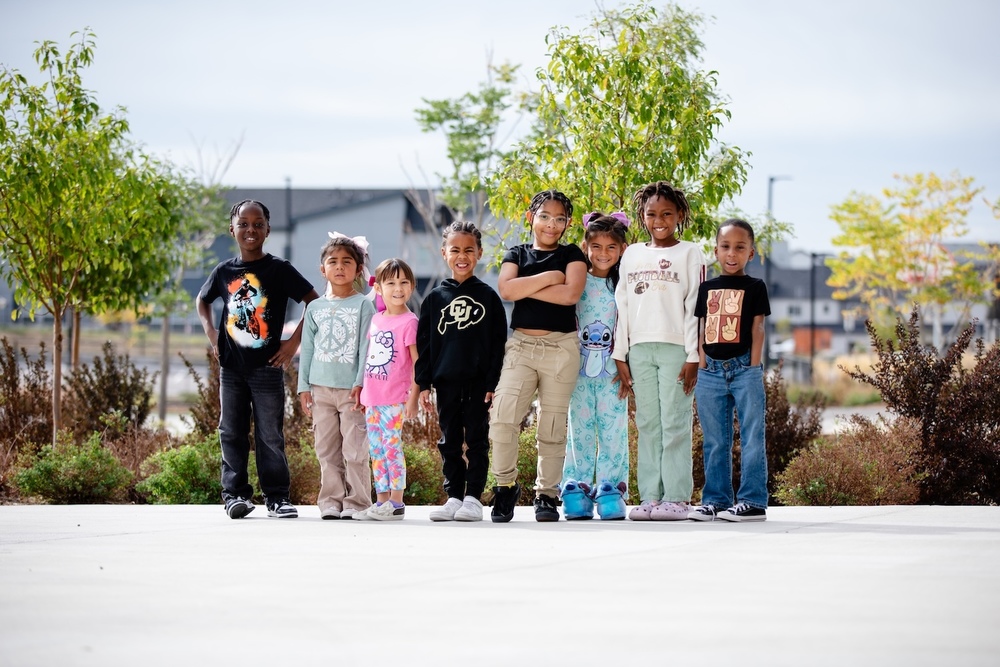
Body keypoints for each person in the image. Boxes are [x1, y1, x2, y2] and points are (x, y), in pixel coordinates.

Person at [197, 199, 319, 519]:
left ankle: (277, 497)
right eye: (244, 224)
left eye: (258, 224)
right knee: (231, 431)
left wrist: (292, 343)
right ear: (232, 229)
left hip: (267, 368)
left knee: (269, 434)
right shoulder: (224, 271)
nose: (250, 229)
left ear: (267, 229)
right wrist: (212, 335)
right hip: (231, 369)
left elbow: (314, 303)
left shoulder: (279, 270)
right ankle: (234, 495)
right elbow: (202, 301)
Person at [489, 190, 587, 522]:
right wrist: (549, 278)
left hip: (561, 349)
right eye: (545, 216)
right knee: (502, 417)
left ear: (567, 223)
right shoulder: (515, 253)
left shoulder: (573, 253)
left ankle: (546, 495)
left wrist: (527, 286)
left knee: (552, 426)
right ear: (531, 216)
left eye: (560, 218)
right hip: (521, 348)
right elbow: (507, 290)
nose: (551, 224)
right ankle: (504, 488)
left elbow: (571, 294)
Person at [613, 182, 705, 521]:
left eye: (667, 213)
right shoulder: (633, 254)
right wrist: (620, 354)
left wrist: (693, 356)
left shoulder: (690, 253)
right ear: (642, 215)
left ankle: (677, 498)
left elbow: (696, 306)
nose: (659, 220)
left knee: (675, 422)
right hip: (639, 349)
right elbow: (621, 304)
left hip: (676, 349)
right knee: (648, 423)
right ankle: (650, 496)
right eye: (652, 213)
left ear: (679, 214)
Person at [416, 221, 508, 522]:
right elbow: (425, 345)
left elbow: (498, 344)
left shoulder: (489, 297)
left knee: (478, 439)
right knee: (449, 440)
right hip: (446, 381)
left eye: (469, 250)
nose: (462, 256)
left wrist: (493, 381)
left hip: (479, 382)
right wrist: (424, 383)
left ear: (479, 253)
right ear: (444, 253)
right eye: (455, 250)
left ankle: (473, 498)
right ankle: (454, 495)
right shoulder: (434, 299)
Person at [689, 218, 771, 522]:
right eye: (725, 247)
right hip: (710, 371)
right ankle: (716, 500)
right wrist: (700, 360)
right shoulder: (707, 287)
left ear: (751, 252)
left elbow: (758, 327)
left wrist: (752, 366)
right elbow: (701, 328)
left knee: (751, 436)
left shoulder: (755, 286)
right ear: (715, 251)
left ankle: (752, 501)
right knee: (715, 440)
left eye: (740, 247)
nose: (732, 253)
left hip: (744, 369)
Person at [297, 234, 376, 520]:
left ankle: (358, 502)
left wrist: (360, 384)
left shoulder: (364, 305)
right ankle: (330, 500)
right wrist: (303, 387)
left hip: (351, 392)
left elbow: (366, 348)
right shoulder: (315, 308)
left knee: (355, 449)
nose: (340, 267)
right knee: (326, 449)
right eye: (333, 262)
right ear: (323, 269)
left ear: (358, 269)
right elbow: (306, 349)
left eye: (347, 262)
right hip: (320, 390)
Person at [560, 213, 631, 521]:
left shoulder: (624, 284)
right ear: (584, 246)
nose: (603, 253)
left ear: (623, 249)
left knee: (615, 432)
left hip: (614, 373)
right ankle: (577, 489)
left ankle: (610, 490)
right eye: (596, 246)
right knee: (580, 431)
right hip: (577, 371)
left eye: (611, 247)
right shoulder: (577, 280)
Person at [356, 258, 420, 521]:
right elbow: (369, 357)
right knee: (376, 449)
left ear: (412, 287)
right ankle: (381, 501)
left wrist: (413, 398)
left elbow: (418, 365)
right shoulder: (376, 319)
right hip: (372, 398)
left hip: (395, 399)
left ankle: (396, 502)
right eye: (391, 282)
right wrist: (362, 392)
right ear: (379, 288)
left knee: (392, 447)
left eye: (404, 282)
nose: (398, 288)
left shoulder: (410, 322)